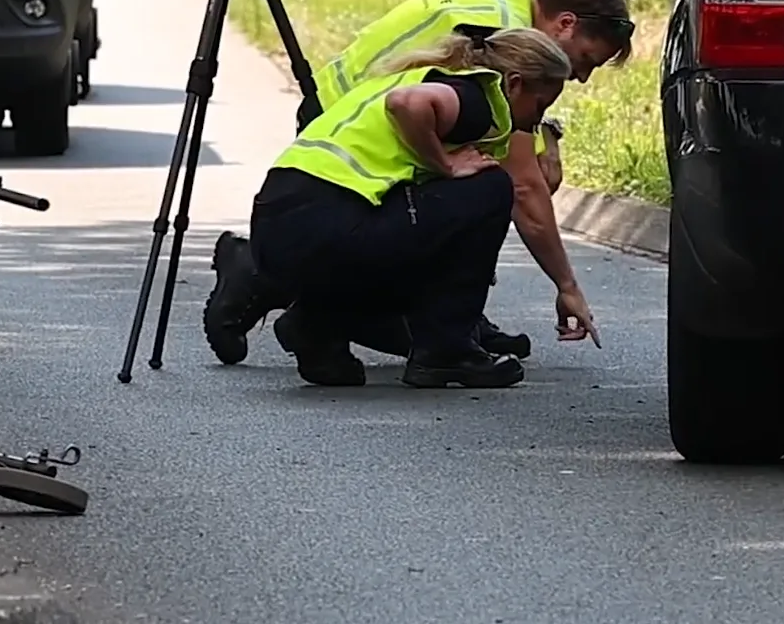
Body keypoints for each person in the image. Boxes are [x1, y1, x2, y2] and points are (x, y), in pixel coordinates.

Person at [203, 0, 635, 364]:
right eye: (586, 59)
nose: (581, 77)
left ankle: (374, 318)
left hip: (349, 122)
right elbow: (521, 185)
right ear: (565, 23)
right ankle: (266, 282)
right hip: (351, 136)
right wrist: (567, 285)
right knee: (480, 192)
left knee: (445, 207)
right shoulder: (503, 32)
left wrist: (546, 134)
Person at [246, 27, 593, 388]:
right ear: (516, 83)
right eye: (540, 107)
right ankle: (447, 350)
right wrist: (446, 164)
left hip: (277, 234)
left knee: (440, 219)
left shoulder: (415, 75)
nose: (536, 123)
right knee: (489, 188)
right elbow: (407, 104)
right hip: (326, 231)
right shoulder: (476, 97)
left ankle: (319, 325)